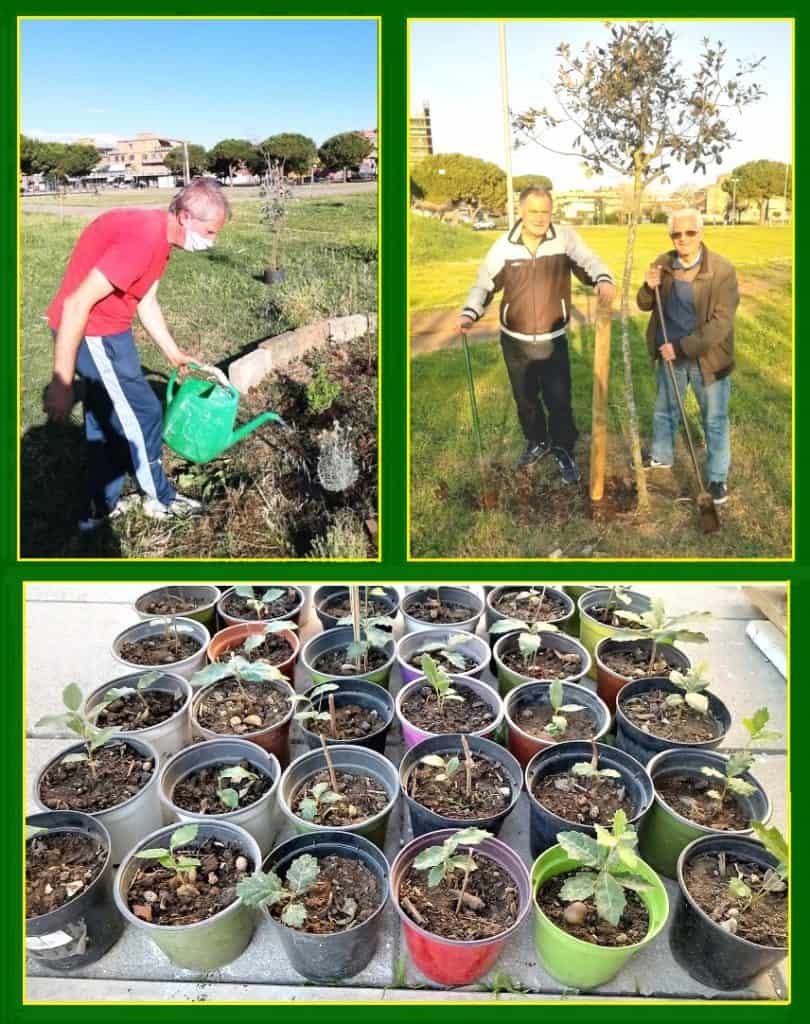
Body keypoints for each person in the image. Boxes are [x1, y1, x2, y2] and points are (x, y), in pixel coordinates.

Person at [44, 177, 230, 531]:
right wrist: (61, 382)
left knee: (106, 417)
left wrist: (173, 352)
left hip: (108, 330)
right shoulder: (144, 240)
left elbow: (145, 299)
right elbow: (77, 304)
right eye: (210, 232)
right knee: (144, 413)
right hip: (95, 334)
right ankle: (160, 499)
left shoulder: (159, 238)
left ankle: (100, 506)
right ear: (187, 216)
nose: (212, 241)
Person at [458, 185, 615, 483]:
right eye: (534, 211)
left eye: (545, 212)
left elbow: (589, 260)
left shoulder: (564, 238)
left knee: (559, 398)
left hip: (552, 338)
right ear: (521, 211)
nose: (540, 218)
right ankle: (537, 441)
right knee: (525, 399)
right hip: (514, 341)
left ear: (551, 213)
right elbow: (484, 283)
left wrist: (603, 278)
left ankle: (563, 448)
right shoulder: (505, 245)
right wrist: (470, 311)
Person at [637, 208, 738, 505]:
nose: (683, 239)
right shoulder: (663, 263)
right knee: (664, 410)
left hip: (708, 358)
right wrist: (648, 286)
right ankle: (662, 455)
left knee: (715, 420)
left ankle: (717, 479)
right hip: (670, 355)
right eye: (676, 234)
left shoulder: (722, 270)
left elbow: (720, 324)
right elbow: (644, 304)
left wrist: (681, 347)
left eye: (689, 232)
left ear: (701, 233)